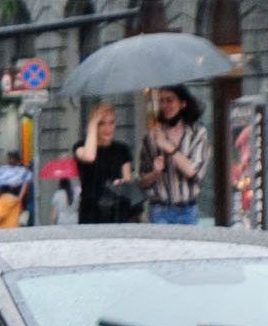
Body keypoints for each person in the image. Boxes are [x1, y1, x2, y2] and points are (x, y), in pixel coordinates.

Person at [140, 86, 207, 225]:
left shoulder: (197, 133)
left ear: (182, 104)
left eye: (170, 100)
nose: (165, 105)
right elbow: (142, 181)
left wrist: (168, 147)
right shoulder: (152, 137)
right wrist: (155, 173)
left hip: (188, 209)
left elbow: (193, 172)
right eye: (162, 101)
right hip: (160, 210)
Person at [71, 102, 139, 223]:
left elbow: (127, 180)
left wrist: (122, 183)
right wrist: (93, 123)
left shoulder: (122, 149)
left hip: (117, 211)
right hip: (91, 211)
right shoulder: (81, 146)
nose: (108, 128)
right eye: (101, 123)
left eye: (111, 122)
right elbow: (89, 156)